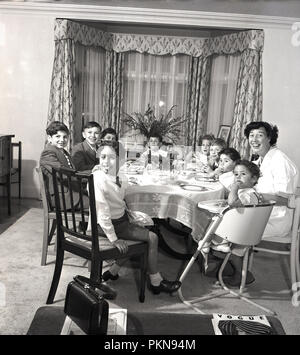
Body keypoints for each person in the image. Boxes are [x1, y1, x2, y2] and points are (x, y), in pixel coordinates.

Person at [91, 140, 181, 294]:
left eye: (111, 157)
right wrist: (114, 239)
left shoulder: (120, 176)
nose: (106, 162)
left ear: (121, 160)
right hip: (106, 226)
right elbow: (102, 213)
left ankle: (112, 271)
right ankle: (156, 281)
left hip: (121, 221)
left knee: (144, 226)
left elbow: (121, 196)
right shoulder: (97, 178)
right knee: (152, 237)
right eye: (103, 157)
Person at [202, 160, 262, 282]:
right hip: (243, 228)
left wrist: (233, 189)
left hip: (242, 232)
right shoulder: (247, 192)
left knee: (215, 221)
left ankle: (240, 275)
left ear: (254, 179)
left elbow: (233, 203)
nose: (238, 177)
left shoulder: (249, 194)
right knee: (235, 255)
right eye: (235, 174)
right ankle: (238, 273)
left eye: (243, 174)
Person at [244, 121, 298, 239]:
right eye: (251, 135)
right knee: (224, 217)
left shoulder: (279, 161)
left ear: (269, 138)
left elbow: (286, 200)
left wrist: (256, 197)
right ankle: (233, 253)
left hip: (276, 219)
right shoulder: (261, 160)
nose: (254, 139)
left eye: (260, 135)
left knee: (233, 224)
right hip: (262, 213)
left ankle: (233, 254)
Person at [39, 121, 88, 209]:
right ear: (49, 138)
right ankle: (89, 222)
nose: (62, 140)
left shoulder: (64, 152)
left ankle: (85, 223)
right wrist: (87, 176)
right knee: (97, 204)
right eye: (58, 136)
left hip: (71, 193)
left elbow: (72, 171)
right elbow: (63, 172)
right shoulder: (48, 152)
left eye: (65, 137)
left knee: (99, 198)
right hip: (61, 197)